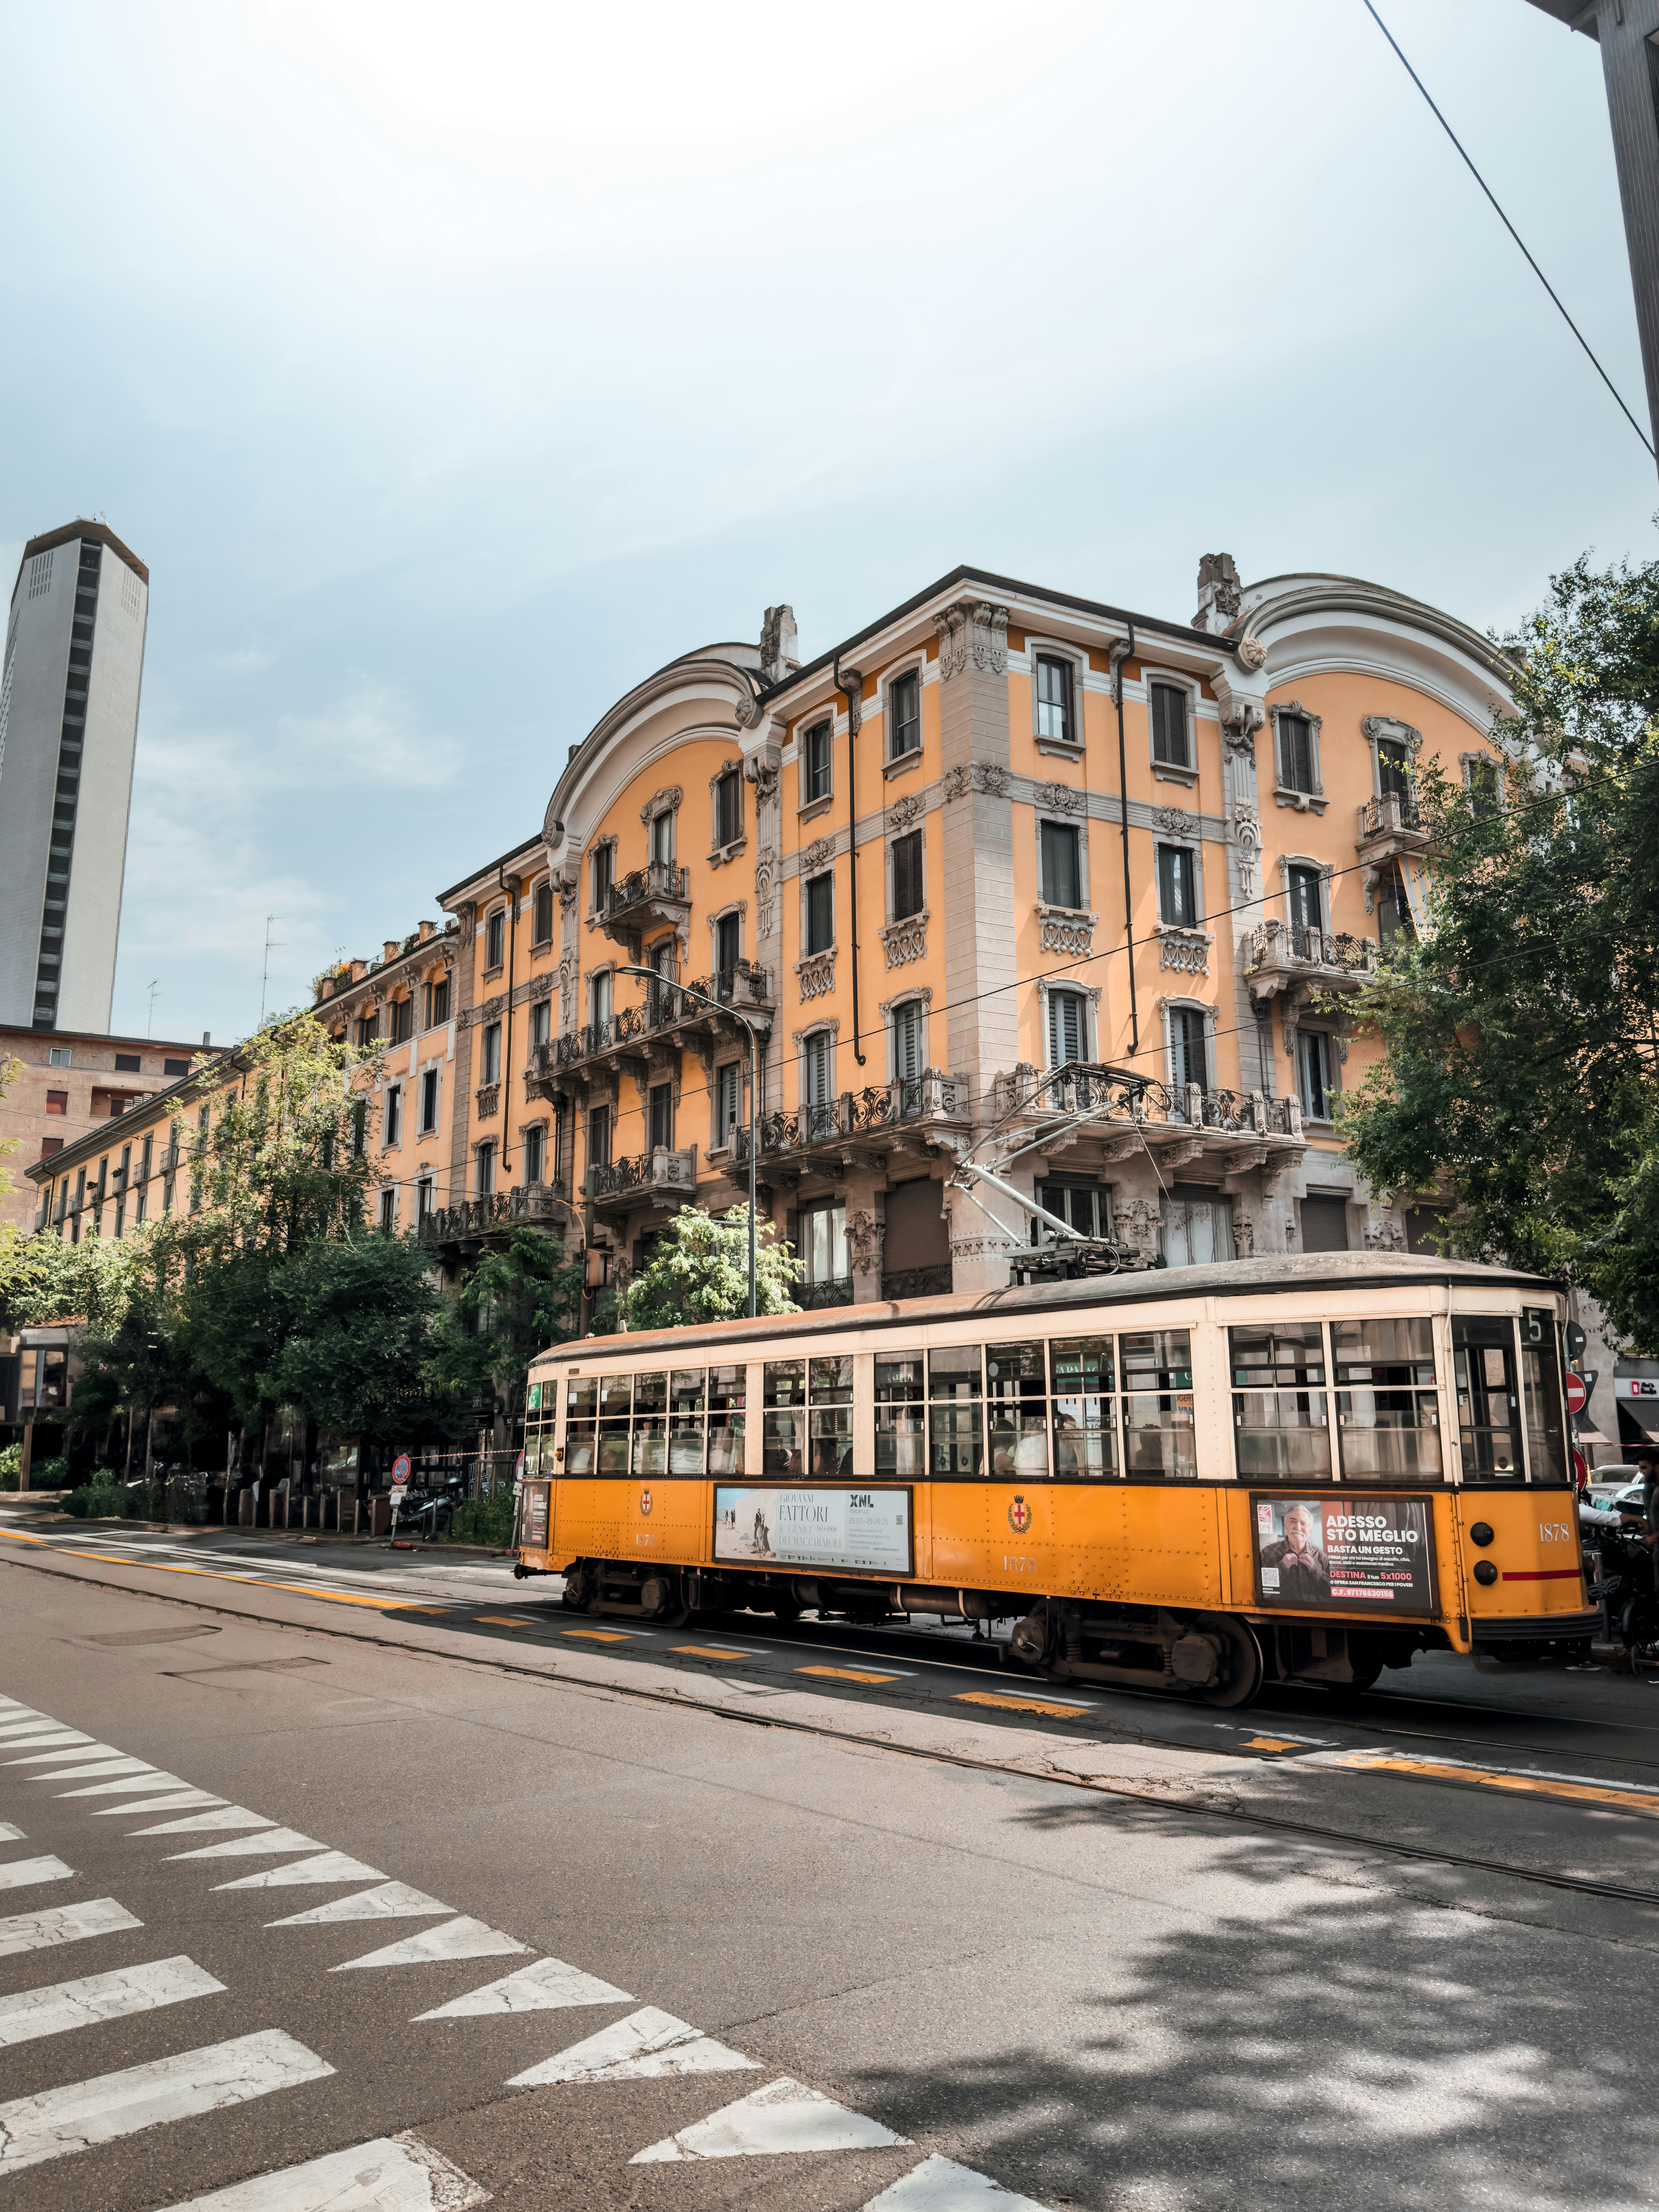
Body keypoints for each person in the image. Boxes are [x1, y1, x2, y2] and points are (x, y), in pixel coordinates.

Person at [1259, 1502, 1330, 1604]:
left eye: (1304, 1524)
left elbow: (1334, 1590)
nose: (1297, 1527)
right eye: (1293, 1522)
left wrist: (1315, 1569)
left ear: (1309, 1531)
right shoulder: (1268, 1552)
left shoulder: (1320, 1555)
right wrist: (1282, 1567)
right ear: (1286, 1526)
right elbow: (1261, 1587)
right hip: (1280, 1614)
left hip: (1317, 1614)